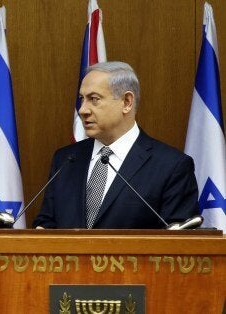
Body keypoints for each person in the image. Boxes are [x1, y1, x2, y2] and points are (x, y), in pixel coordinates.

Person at [33, 61, 199, 229]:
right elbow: (46, 222)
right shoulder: (66, 159)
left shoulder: (171, 166)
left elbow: (179, 243)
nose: (83, 110)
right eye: (82, 99)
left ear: (127, 102)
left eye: (94, 99)